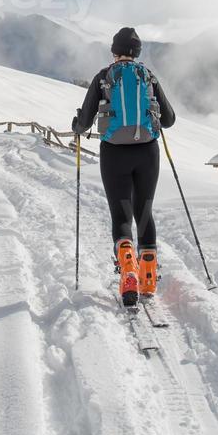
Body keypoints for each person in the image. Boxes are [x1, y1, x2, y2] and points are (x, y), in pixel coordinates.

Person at [71, 26, 176, 307]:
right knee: (144, 209)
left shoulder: (104, 77)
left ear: (114, 51)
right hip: (148, 151)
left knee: (120, 212)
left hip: (114, 152)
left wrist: (77, 125)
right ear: (138, 52)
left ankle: (128, 272)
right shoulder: (148, 77)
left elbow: (84, 123)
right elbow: (168, 120)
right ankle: (149, 276)